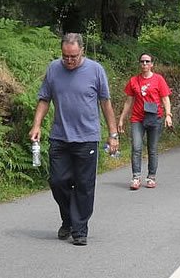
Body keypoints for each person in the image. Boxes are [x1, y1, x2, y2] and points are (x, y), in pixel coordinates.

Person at [28, 33, 118, 246]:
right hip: (60, 137)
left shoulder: (96, 70)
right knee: (57, 181)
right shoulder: (53, 69)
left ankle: (79, 229)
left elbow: (105, 103)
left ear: (82, 52)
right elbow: (44, 99)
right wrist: (37, 125)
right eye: (65, 56)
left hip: (87, 138)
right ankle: (68, 219)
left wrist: (113, 134)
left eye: (73, 57)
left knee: (84, 185)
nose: (69, 61)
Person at [118, 53, 173, 190]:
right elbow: (129, 101)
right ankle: (136, 177)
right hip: (138, 118)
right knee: (136, 147)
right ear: (139, 64)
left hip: (155, 118)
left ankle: (151, 177)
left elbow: (165, 98)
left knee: (152, 149)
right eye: (142, 62)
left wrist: (168, 115)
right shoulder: (133, 81)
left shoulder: (158, 79)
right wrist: (121, 118)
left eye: (147, 62)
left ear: (152, 64)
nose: (144, 64)